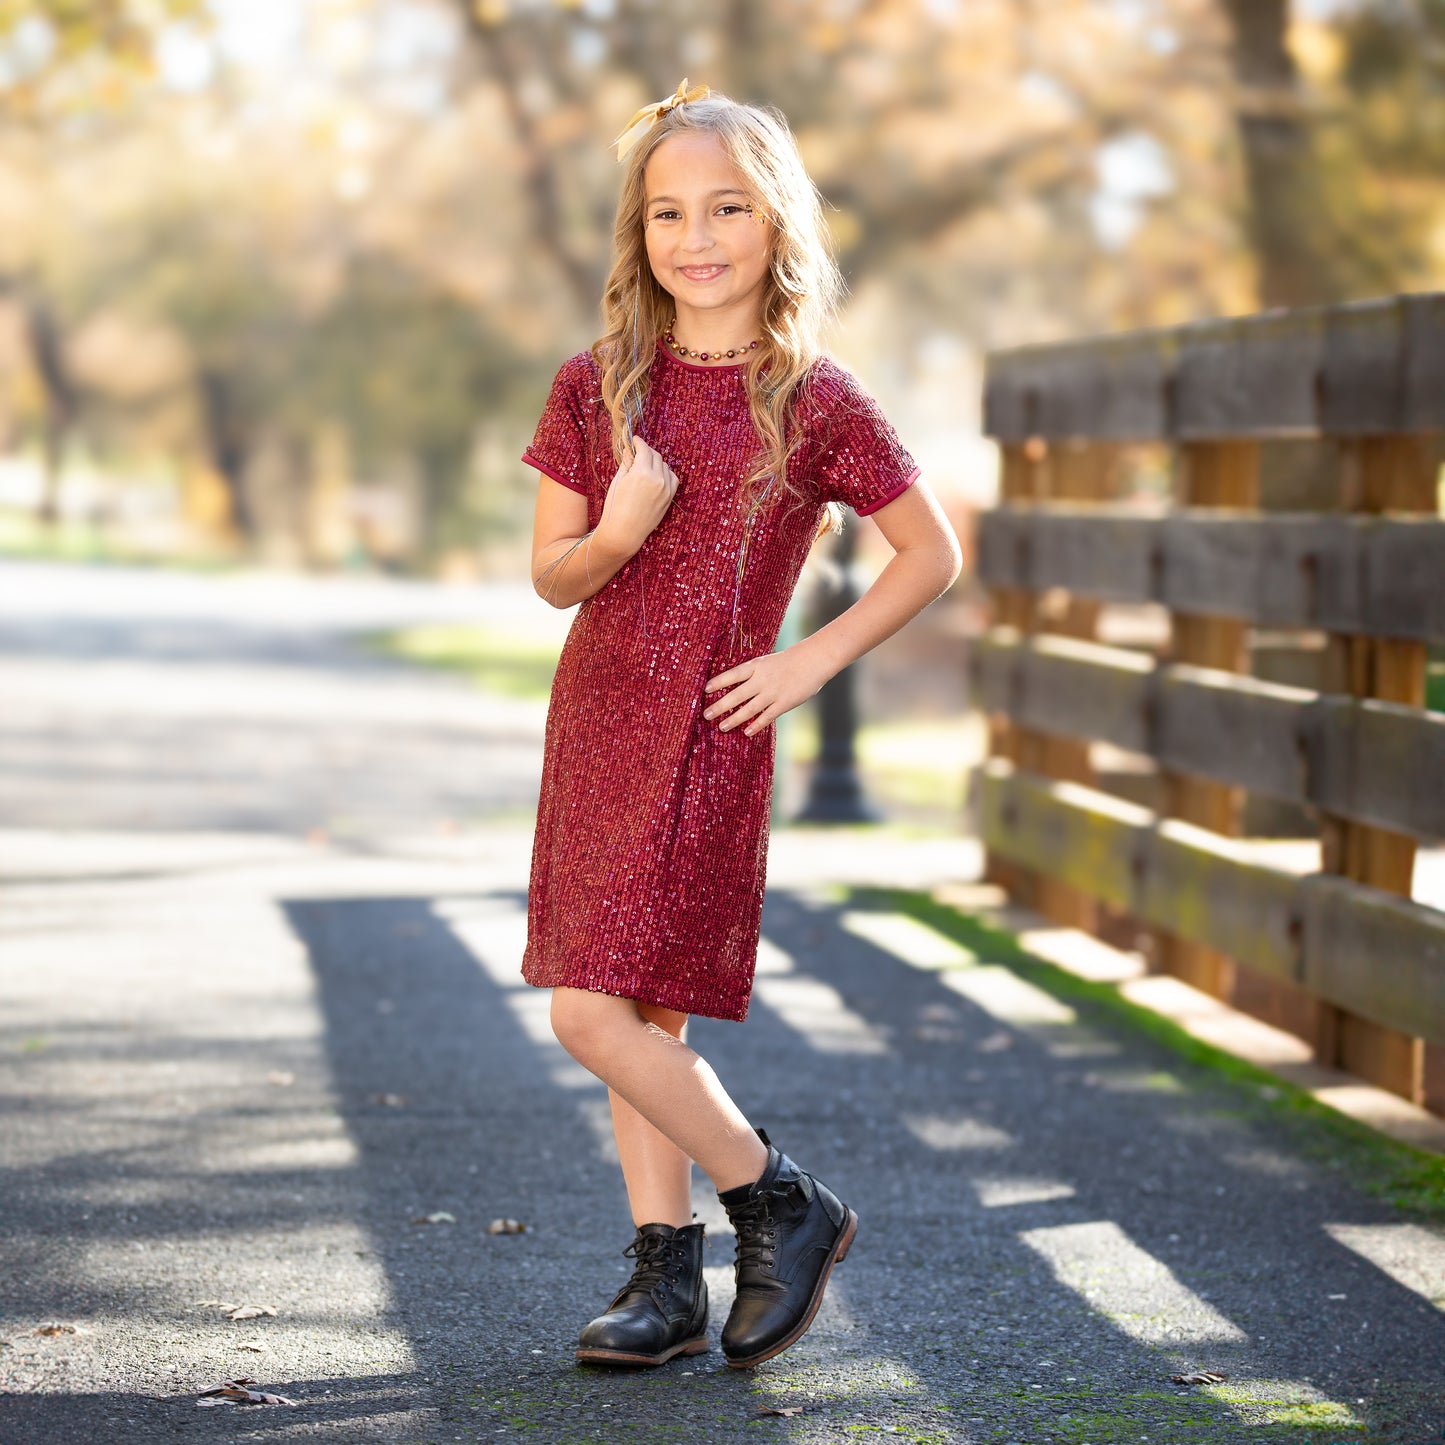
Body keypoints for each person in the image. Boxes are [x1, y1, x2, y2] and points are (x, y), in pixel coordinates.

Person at [521, 79, 962, 1372]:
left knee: (596, 1012)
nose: (695, 237)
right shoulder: (594, 385)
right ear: (635, 232)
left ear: (775, 226)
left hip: (715, 725)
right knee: (634, 1013)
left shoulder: (813, 399)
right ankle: (665, 1280)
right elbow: (552, 575)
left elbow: (926, 553)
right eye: (667, 212)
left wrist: (809, 661)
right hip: (599, 720)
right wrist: (619, 529)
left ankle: (777, 1197)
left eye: (725, 208)